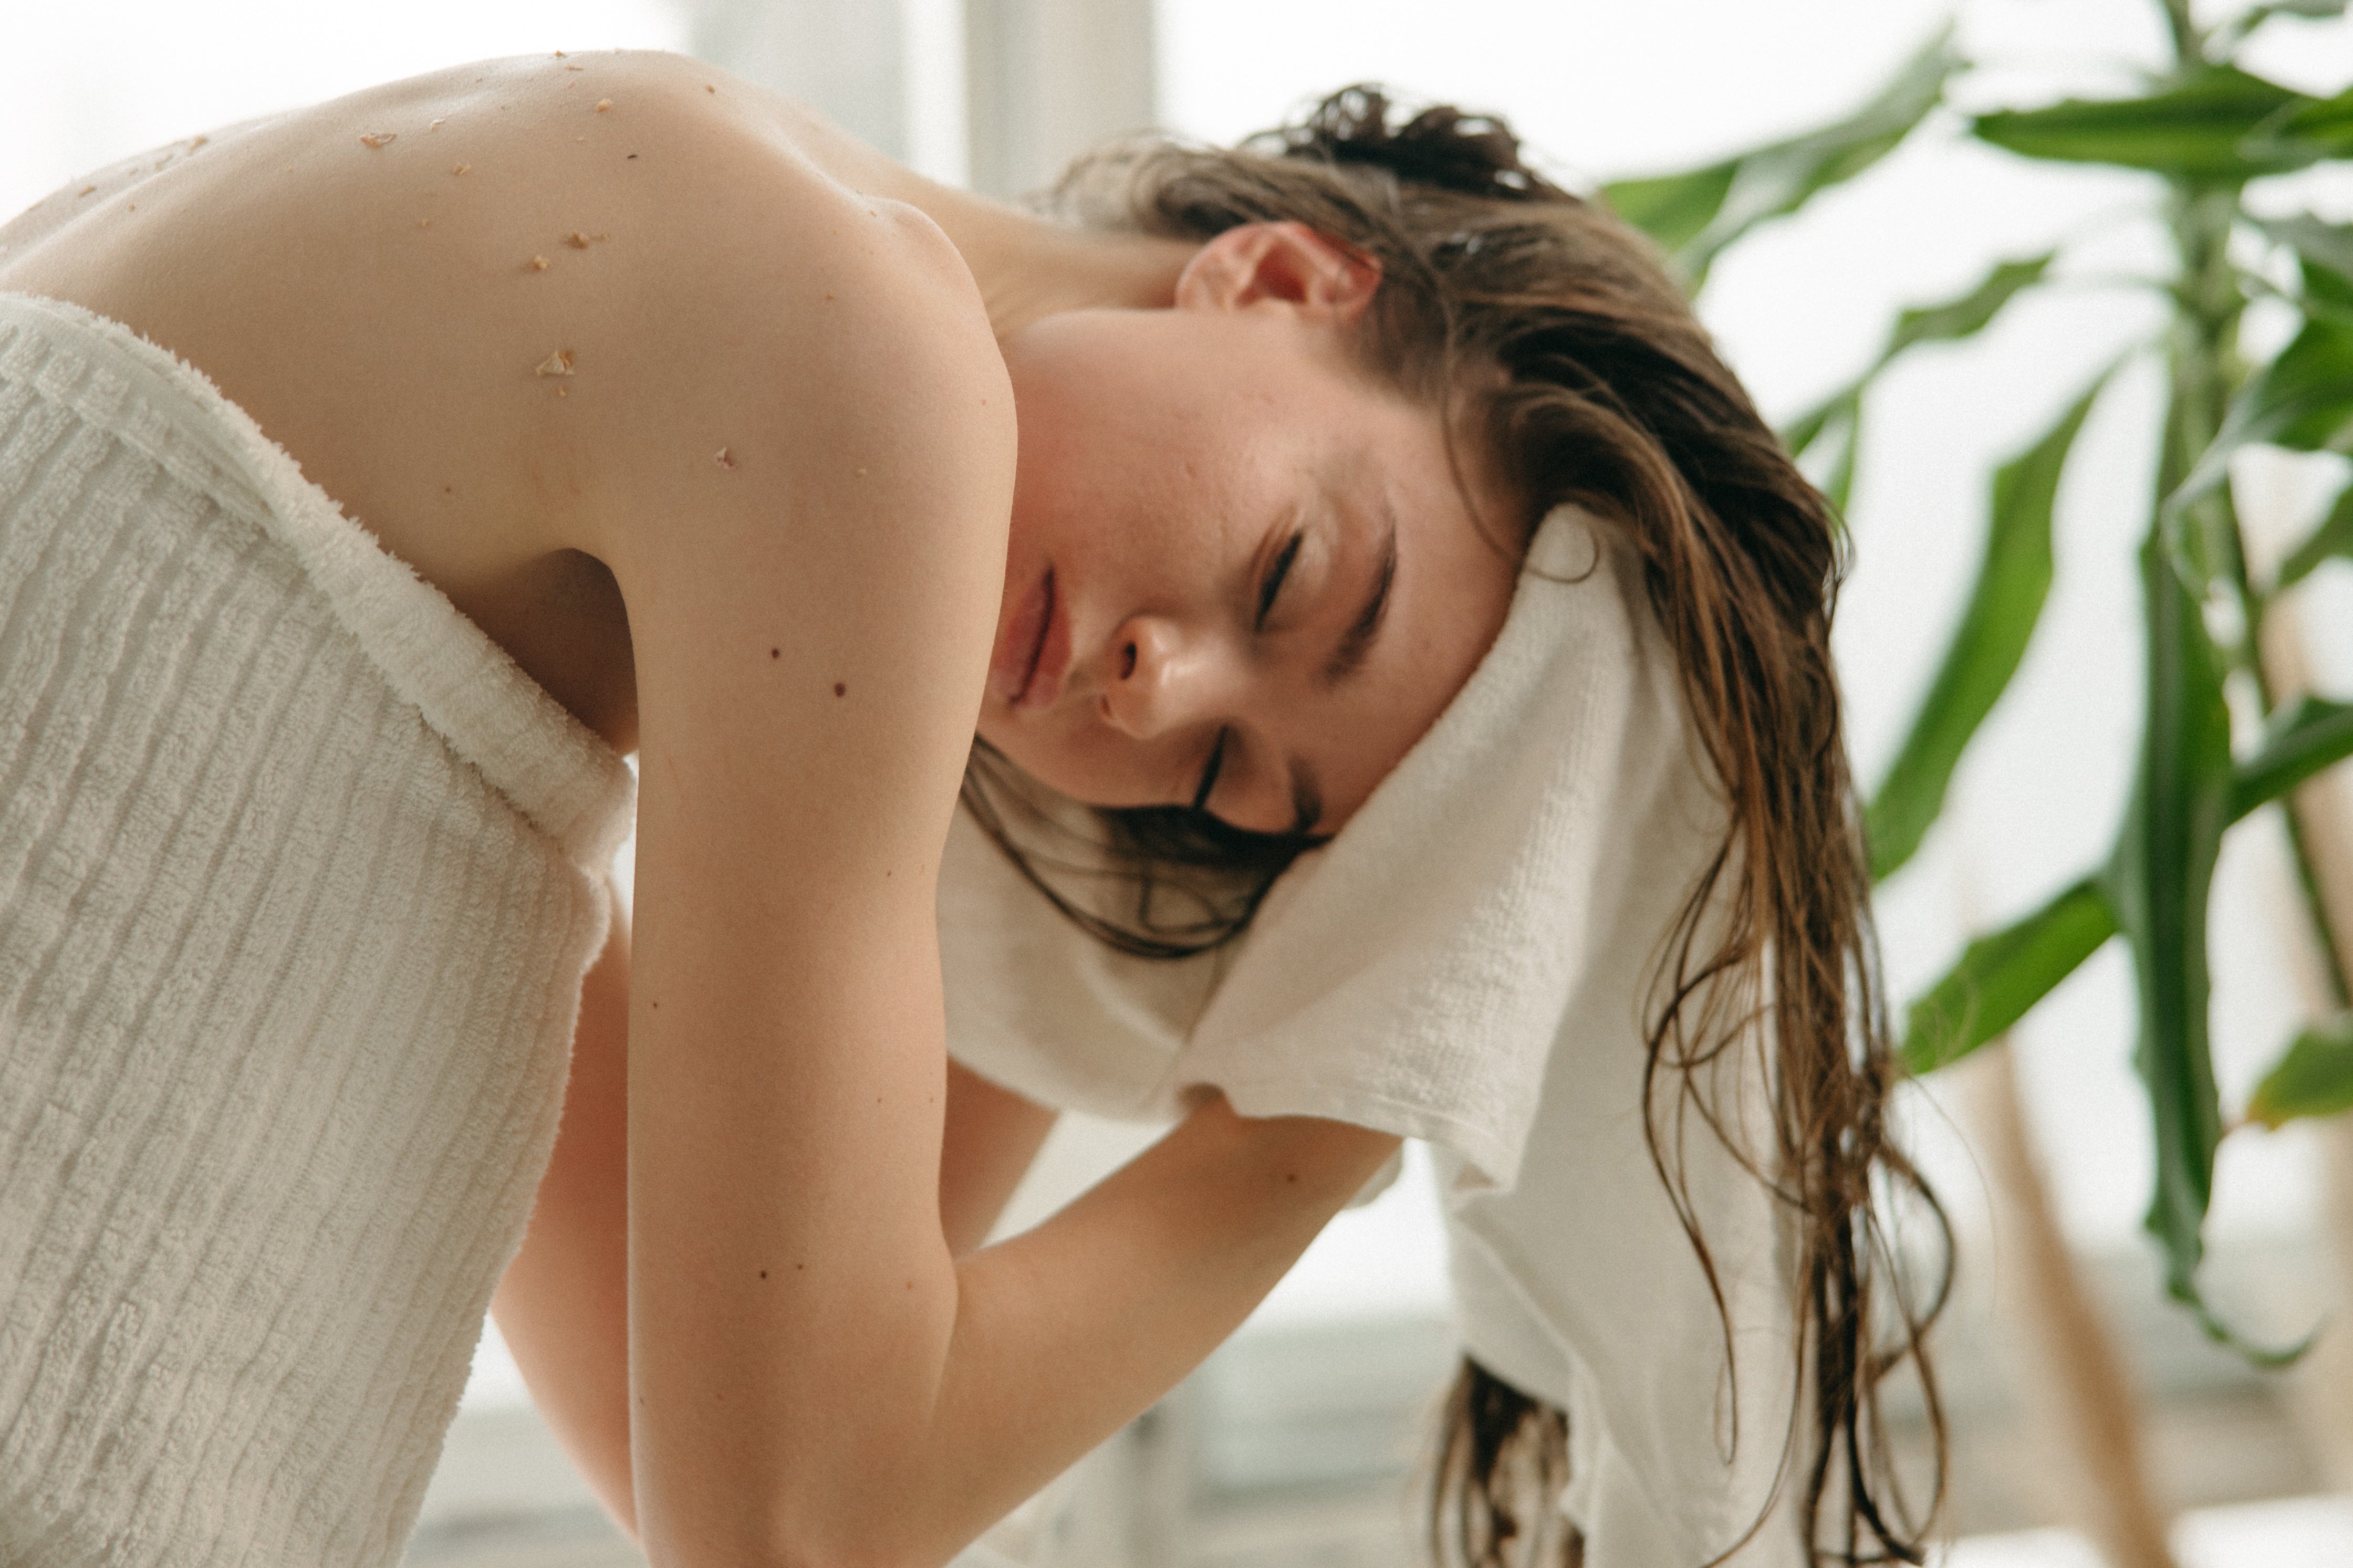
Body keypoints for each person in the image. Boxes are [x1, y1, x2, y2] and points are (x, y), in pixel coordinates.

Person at [0, 50, 1940, 1568]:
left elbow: (673, 1409)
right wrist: (1368, 1080)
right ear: (1278, 276)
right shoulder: (851, 361)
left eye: (1224, 783)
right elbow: (797, 1525)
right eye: (1287, 579)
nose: (1155, 694)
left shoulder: (708, 276)